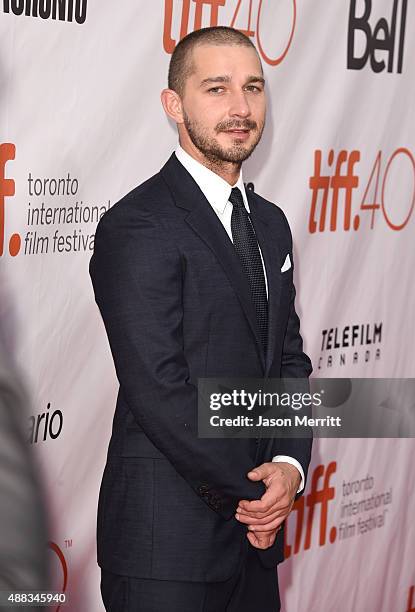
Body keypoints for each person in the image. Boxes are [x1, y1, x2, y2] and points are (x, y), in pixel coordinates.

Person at [89, 25, 313, 612]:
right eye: (216, 89)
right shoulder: (137, 225)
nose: (241, 108)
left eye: (254, 88)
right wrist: (256, 497)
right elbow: (160, 391)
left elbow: (288, 361)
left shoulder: (270, 223)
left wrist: (289, 468)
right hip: (167, 550)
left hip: (256, 548)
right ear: (174, 105)